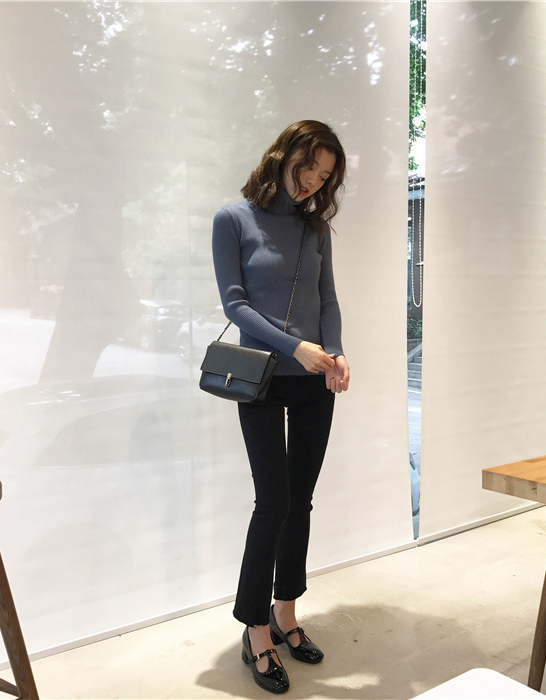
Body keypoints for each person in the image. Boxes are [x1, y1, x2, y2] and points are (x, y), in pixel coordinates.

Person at [212, 120, 350, 694]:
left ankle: (285, 612)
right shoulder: (233, 219)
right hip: (262, 379)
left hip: (315, 379)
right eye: (308, 167)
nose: (313, 182)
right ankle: (255, 630)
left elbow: (327, 298)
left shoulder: (315, 229)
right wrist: (297, 347)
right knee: (273, 501)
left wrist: (335, 353)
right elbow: (235, 305)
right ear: (283, 155)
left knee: (302, 501)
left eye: (325, 175)